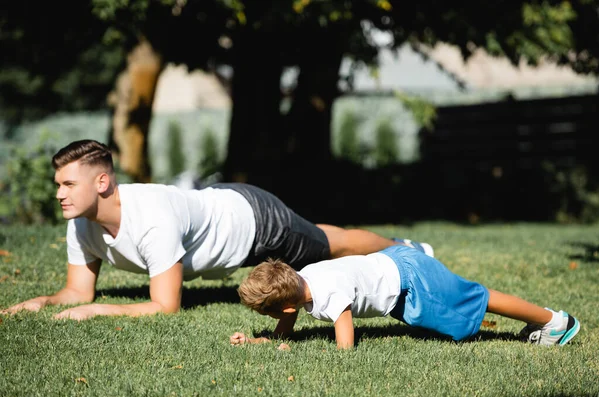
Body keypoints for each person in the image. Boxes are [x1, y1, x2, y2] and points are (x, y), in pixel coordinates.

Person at [1, 139, 433, 320]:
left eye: (68, 184)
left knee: (327, 245)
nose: (59, 193)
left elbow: (166, 305)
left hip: (253, 221)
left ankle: (405, 250)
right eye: (58, 184)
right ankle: (399, 247)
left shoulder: (151, 217)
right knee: (321, 236)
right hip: (219, 206)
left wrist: (100, 311)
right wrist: (40, 303)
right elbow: (77, 291)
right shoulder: (83, 224)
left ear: (102, 182)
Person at [230, 245, 581, 349]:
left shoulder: (329, 295)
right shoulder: (300, 278)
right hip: (395, 262)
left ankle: (555, 322)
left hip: (412, 279)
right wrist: (258, 340)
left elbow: (345, 347)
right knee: (456, 319)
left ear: (286, 305)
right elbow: (285, 328)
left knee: (475, 301)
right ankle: (547, 320)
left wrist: (290, 351)